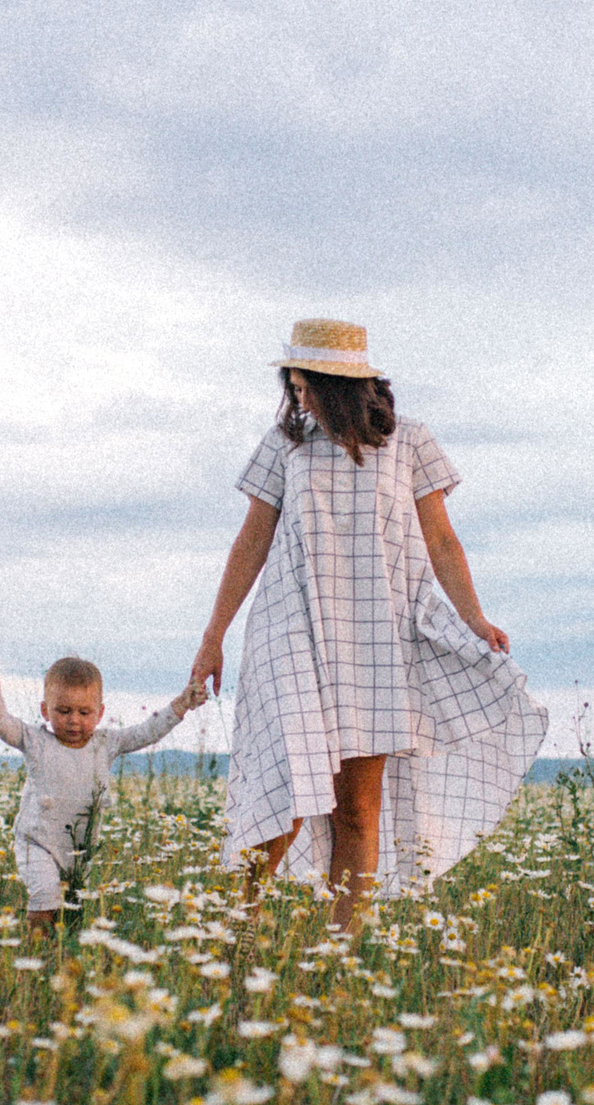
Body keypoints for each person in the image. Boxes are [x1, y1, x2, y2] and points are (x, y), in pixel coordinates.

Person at [189, 319, 545, 933]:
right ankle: (234, 934)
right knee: (289, 783)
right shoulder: (283, 447)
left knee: (358, 806)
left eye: (304, 387)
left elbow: (440, 538)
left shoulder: (409, 442)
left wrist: (474, 617)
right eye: (292, 387)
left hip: (378, 635)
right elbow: (251, 540)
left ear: (337, 385)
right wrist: (213, 634)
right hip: (291, 625)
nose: (296, 399)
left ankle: (341, 947)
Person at [0, 653, 208, 935]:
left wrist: (182, 704)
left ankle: (61, 956)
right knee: (45, 896)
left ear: (100, 712)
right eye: (63, 711)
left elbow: (148, 731)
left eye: (84, 713)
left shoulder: (106, 743)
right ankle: (36, 950)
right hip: (36, 842)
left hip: (80, 849)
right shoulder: (36, 741)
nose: (74, 721)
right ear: (45, 710)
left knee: (73, 908)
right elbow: (0, 722)